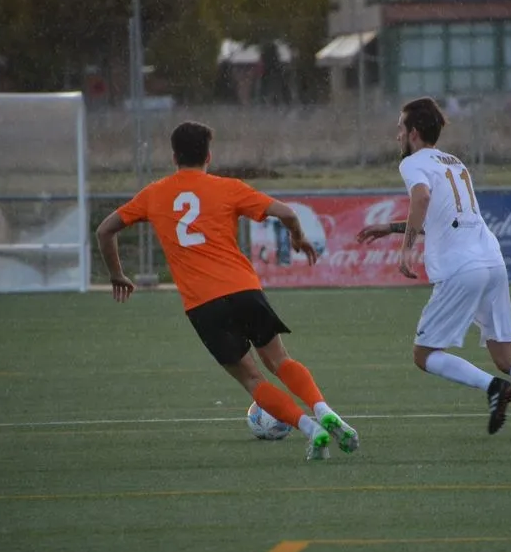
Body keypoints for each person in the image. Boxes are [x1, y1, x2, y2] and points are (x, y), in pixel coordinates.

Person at [95, 121, 360, 461]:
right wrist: (297, 236)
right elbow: (287, 213)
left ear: (174, 156)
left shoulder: (154, 194)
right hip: (244, 290)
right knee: (280, 360)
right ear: (209, 155)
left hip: (203, 304)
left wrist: (118, 274)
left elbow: (105, 231)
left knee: (252, 380)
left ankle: (310, 429)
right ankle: (323, 409)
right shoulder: (227, 188)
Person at [356, 97, 511, 439]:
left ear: (413, 133)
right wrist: (391, 228)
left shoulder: (412, 163)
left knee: (424, 354)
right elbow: (442, 217)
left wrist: (406, 249)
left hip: (461, 266)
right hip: (491, 260)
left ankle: (493, 388)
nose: (397, 137)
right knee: (506, 355)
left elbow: (421, 199)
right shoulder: (455, 163)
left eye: (400, 130)